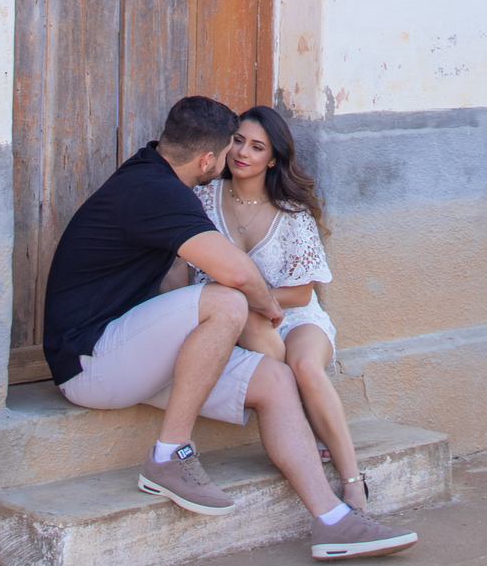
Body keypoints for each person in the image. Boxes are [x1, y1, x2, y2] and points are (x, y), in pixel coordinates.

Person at [42, 95, 417, 559]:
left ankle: (332, 520)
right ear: (207, 159)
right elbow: (237, 275)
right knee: (228, 301)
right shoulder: (156, 191)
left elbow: (174, 284)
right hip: (88, 360)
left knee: (276, 379)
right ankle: (169, 455)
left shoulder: (154, 176)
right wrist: (269, 311)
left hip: (130, 353)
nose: (232, 159)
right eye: (228, 149)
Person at [187, 106, 369, 514]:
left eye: (256, 146)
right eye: (237, 141)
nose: (242, 153)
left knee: (305, 367)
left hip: (297, 319)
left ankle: (353, 479)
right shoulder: (201, 198)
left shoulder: (290, 212)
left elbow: (303, 293)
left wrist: (255, 294)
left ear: (272, 158)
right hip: (242, 321)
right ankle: (302, 429)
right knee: (248, 318)